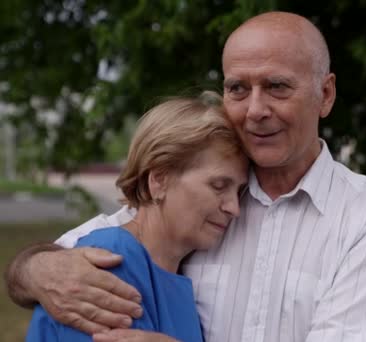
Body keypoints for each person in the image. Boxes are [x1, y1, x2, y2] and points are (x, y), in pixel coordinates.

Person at [6, 11, 366, 342]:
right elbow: (105, 243)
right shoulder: (197, 198)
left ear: (324, 95)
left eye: (276, 86)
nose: (255, 109)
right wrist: (37, 269)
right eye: (238, 88)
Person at [24, 91, 248, 341]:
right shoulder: (109, 258)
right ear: (159, 180)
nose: (234, 207)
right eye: (218, 185)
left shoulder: (179, 278)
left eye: (239, 190)